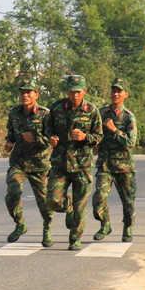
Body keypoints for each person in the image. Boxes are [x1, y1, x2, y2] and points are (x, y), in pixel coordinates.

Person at [45, 73, 103, 250]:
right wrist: (51, 138)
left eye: (78, 92)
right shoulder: (56, 107)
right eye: (72, 92)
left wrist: (86, 137)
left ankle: (75, 239)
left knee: (80, 206)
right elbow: (47, 127)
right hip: (60, 163)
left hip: (82, 165)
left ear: (84, 91)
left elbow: (99, 136)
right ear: (67, 91)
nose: (75, 95)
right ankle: (66, 207)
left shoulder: (92, 111)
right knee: (52, 200)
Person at [3, 78, 53, 246]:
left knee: (44, 201)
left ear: (36, 95)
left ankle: (47, 227)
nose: (24, 95)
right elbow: (11, 132)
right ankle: (20, 224)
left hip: (39, 164)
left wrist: (36, 139)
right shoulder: (14, 112)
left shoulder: (45, 114)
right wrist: (9, 142)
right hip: (18, 162)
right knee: (13, 191)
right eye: (22, 92)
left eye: (28, 92)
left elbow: (52, 139)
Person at [92, 79, 137, 242]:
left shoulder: (128, 117)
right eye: (113, 91)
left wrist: (114, 130)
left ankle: (128, 227)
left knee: (128, 201)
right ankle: (105, 224)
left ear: (126, 94)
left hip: (124, 166)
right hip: (105, 164)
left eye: (119, 91)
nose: (115, 94)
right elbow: (95, 134)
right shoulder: (101, 113)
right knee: (98, 197)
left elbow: (130, 143)